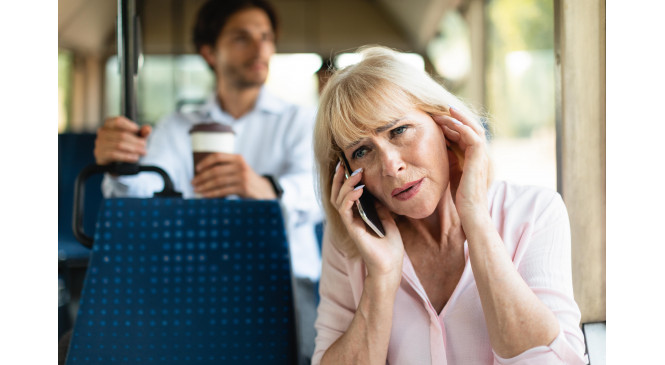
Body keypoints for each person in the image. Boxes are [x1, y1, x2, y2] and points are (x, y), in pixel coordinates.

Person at [312, 46, 586, 364]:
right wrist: (382, 278)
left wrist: (475, 219)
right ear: (347, 174)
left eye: (399, 130)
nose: (390, 166)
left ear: (446, 126)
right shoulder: (352, 244)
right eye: (362, 151)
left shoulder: (535, 213)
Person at [94, 0, 322, 362]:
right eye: (241, 38)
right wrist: (118, 163)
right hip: (193, 277)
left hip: (285, 278)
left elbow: (319, 197)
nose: (261, 48)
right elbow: (139, 192)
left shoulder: (300, 120)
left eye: (266, 37)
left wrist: (263, 188)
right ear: (209, 52)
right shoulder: (176, 127)